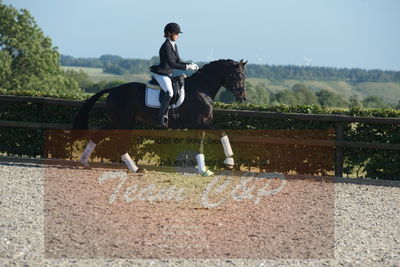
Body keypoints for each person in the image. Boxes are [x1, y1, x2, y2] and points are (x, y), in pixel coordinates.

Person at [149, 22, 199, 128]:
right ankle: (161, 118)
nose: (178, 35)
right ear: (169, 33)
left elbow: (178, 61)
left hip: (168, 74)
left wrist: (189, 64)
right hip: (162, 73)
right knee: (170, 92)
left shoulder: (174, 45)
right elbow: (172, 64)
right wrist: (187, 68)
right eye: (176, 33)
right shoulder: (166, 46)